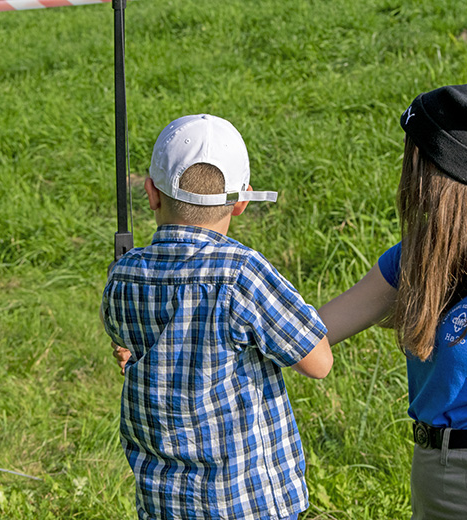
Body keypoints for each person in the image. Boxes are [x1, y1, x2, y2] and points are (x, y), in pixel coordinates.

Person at [318, 81, 467, 519]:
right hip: (430, 473)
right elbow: (317, 330)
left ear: (436, 173)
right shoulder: (419, 255)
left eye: (413, 160)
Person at [101, 114, 333, 520]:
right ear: (242, 201)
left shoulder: (124, 274)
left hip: (163, 505)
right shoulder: (242, 272)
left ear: (152, 193)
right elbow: (319, 361)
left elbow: (124, 337)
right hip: (247, 504)